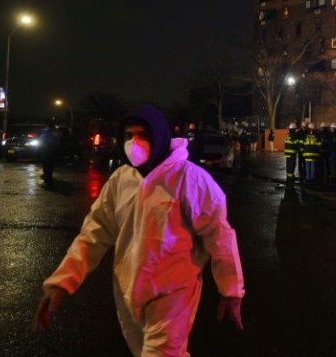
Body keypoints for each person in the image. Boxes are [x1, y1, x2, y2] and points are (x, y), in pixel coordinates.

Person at [34, 103, 245, 356]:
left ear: (159, 136)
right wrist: (62, 282)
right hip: (127, 293)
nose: (134, 142)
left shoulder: (191, 180)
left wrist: (231, 289)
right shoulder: (121, 179)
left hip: (173, 296)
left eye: (143, 135)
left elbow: (219, 236)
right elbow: (94, 232)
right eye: (129, 135)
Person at [39, 119, 60, 185]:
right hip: (51, 149)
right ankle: (49, 176)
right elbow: (57, 141)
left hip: (45, 149)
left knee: (45, 163)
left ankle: (47, 175)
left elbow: (41, 140)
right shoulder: (54, 132)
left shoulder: (44, 132)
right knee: (50, 164)